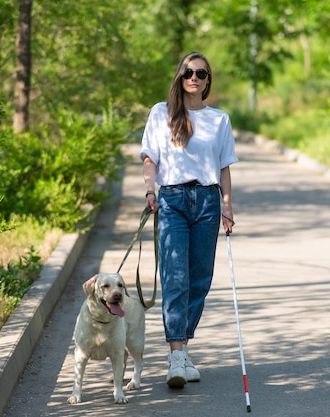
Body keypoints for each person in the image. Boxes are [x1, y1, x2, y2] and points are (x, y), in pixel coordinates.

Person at [139, 51, 238, 388]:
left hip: (208, 202)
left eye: (201, 73)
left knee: (200, 279)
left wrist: (227, 205)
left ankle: (182, 347)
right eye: (188, 72)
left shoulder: (219, 119)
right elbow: (149, 158)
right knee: (176, 276)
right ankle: (176, 356)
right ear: (179, 77)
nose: (194, 77)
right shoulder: (161, 113)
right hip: (172, 200)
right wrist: (150, 191)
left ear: (208, 81)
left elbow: (224, 166)